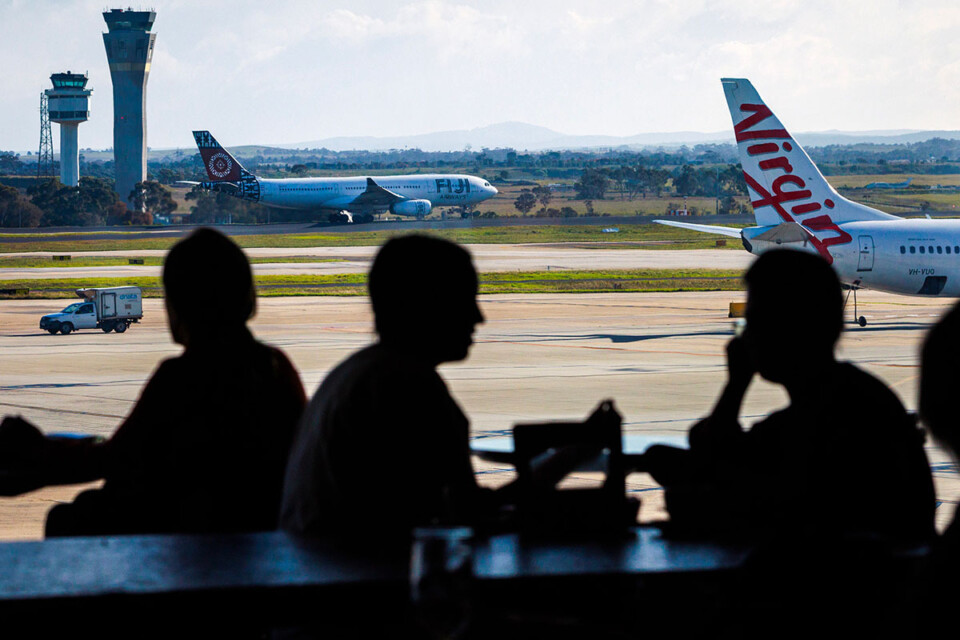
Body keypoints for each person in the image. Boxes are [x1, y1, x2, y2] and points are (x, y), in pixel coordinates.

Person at [0, 228, 306, 536]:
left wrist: (40, 450)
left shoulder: (184, 375)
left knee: (68, 518)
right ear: (249, 298)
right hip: (266, 529)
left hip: (201, 542)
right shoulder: (277, 367)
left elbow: (115, 457)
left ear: (181, 307)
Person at [646, 248, 935, 543]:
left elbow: (718, 465)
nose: (744, 336)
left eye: (756, 321)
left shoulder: (820, 421)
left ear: (788, 328)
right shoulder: (854, 399)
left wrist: (736, 385)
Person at [280, 235, 493, 540]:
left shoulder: (355, 373)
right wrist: (572, 452)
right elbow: (471, 514)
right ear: (426, 306)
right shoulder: (409, 388)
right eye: (463, 300)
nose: (479, 317)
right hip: (367, 578)